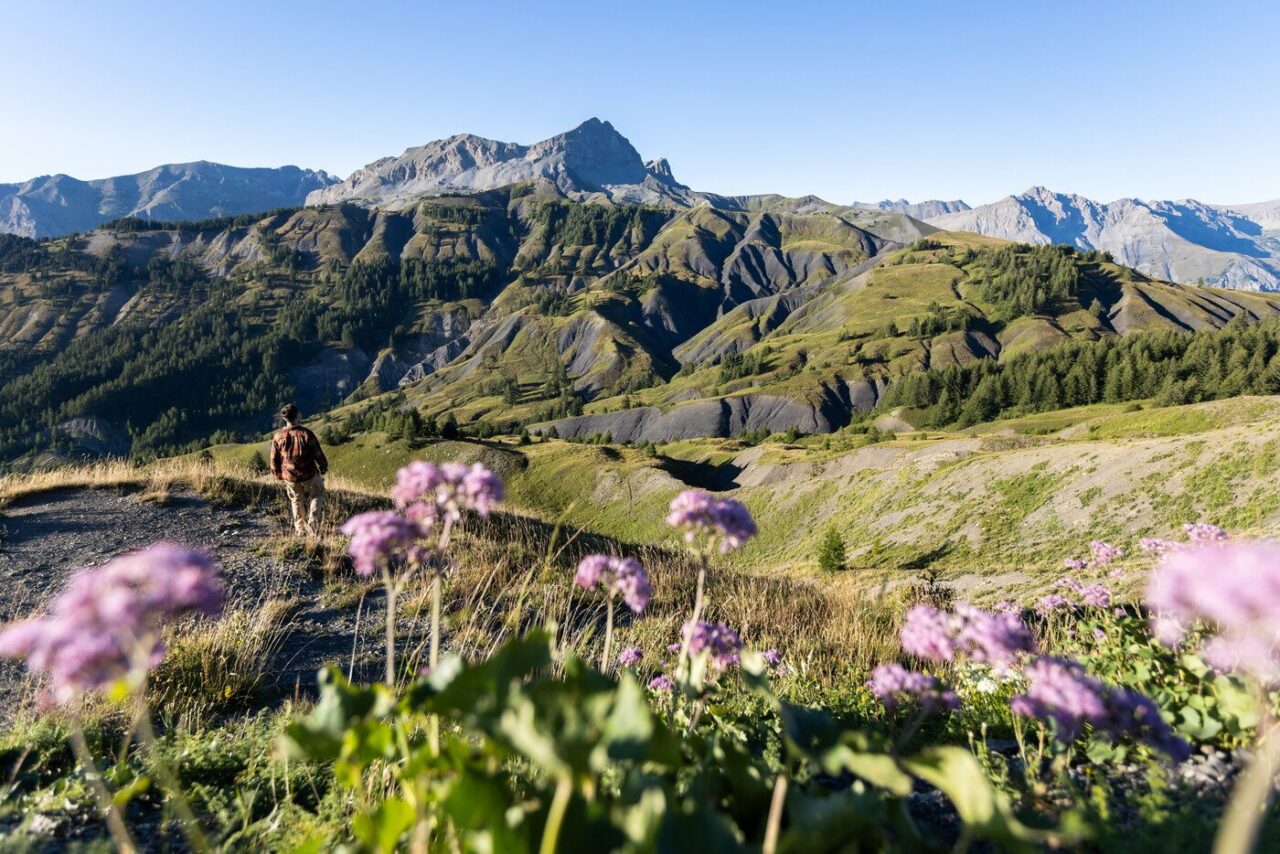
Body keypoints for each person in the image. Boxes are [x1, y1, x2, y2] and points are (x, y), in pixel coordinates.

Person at [270, 403, 329, 537]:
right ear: (297, 416)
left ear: (285, 418)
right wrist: (323, 466)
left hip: (290, 476)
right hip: (309, 473)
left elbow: (274, 459)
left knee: (296, 500)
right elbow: (318, 453)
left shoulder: (278, 436)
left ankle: (300, 529)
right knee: (317, 494)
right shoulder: (306, 434)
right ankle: (313, 524)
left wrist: (278, 474)